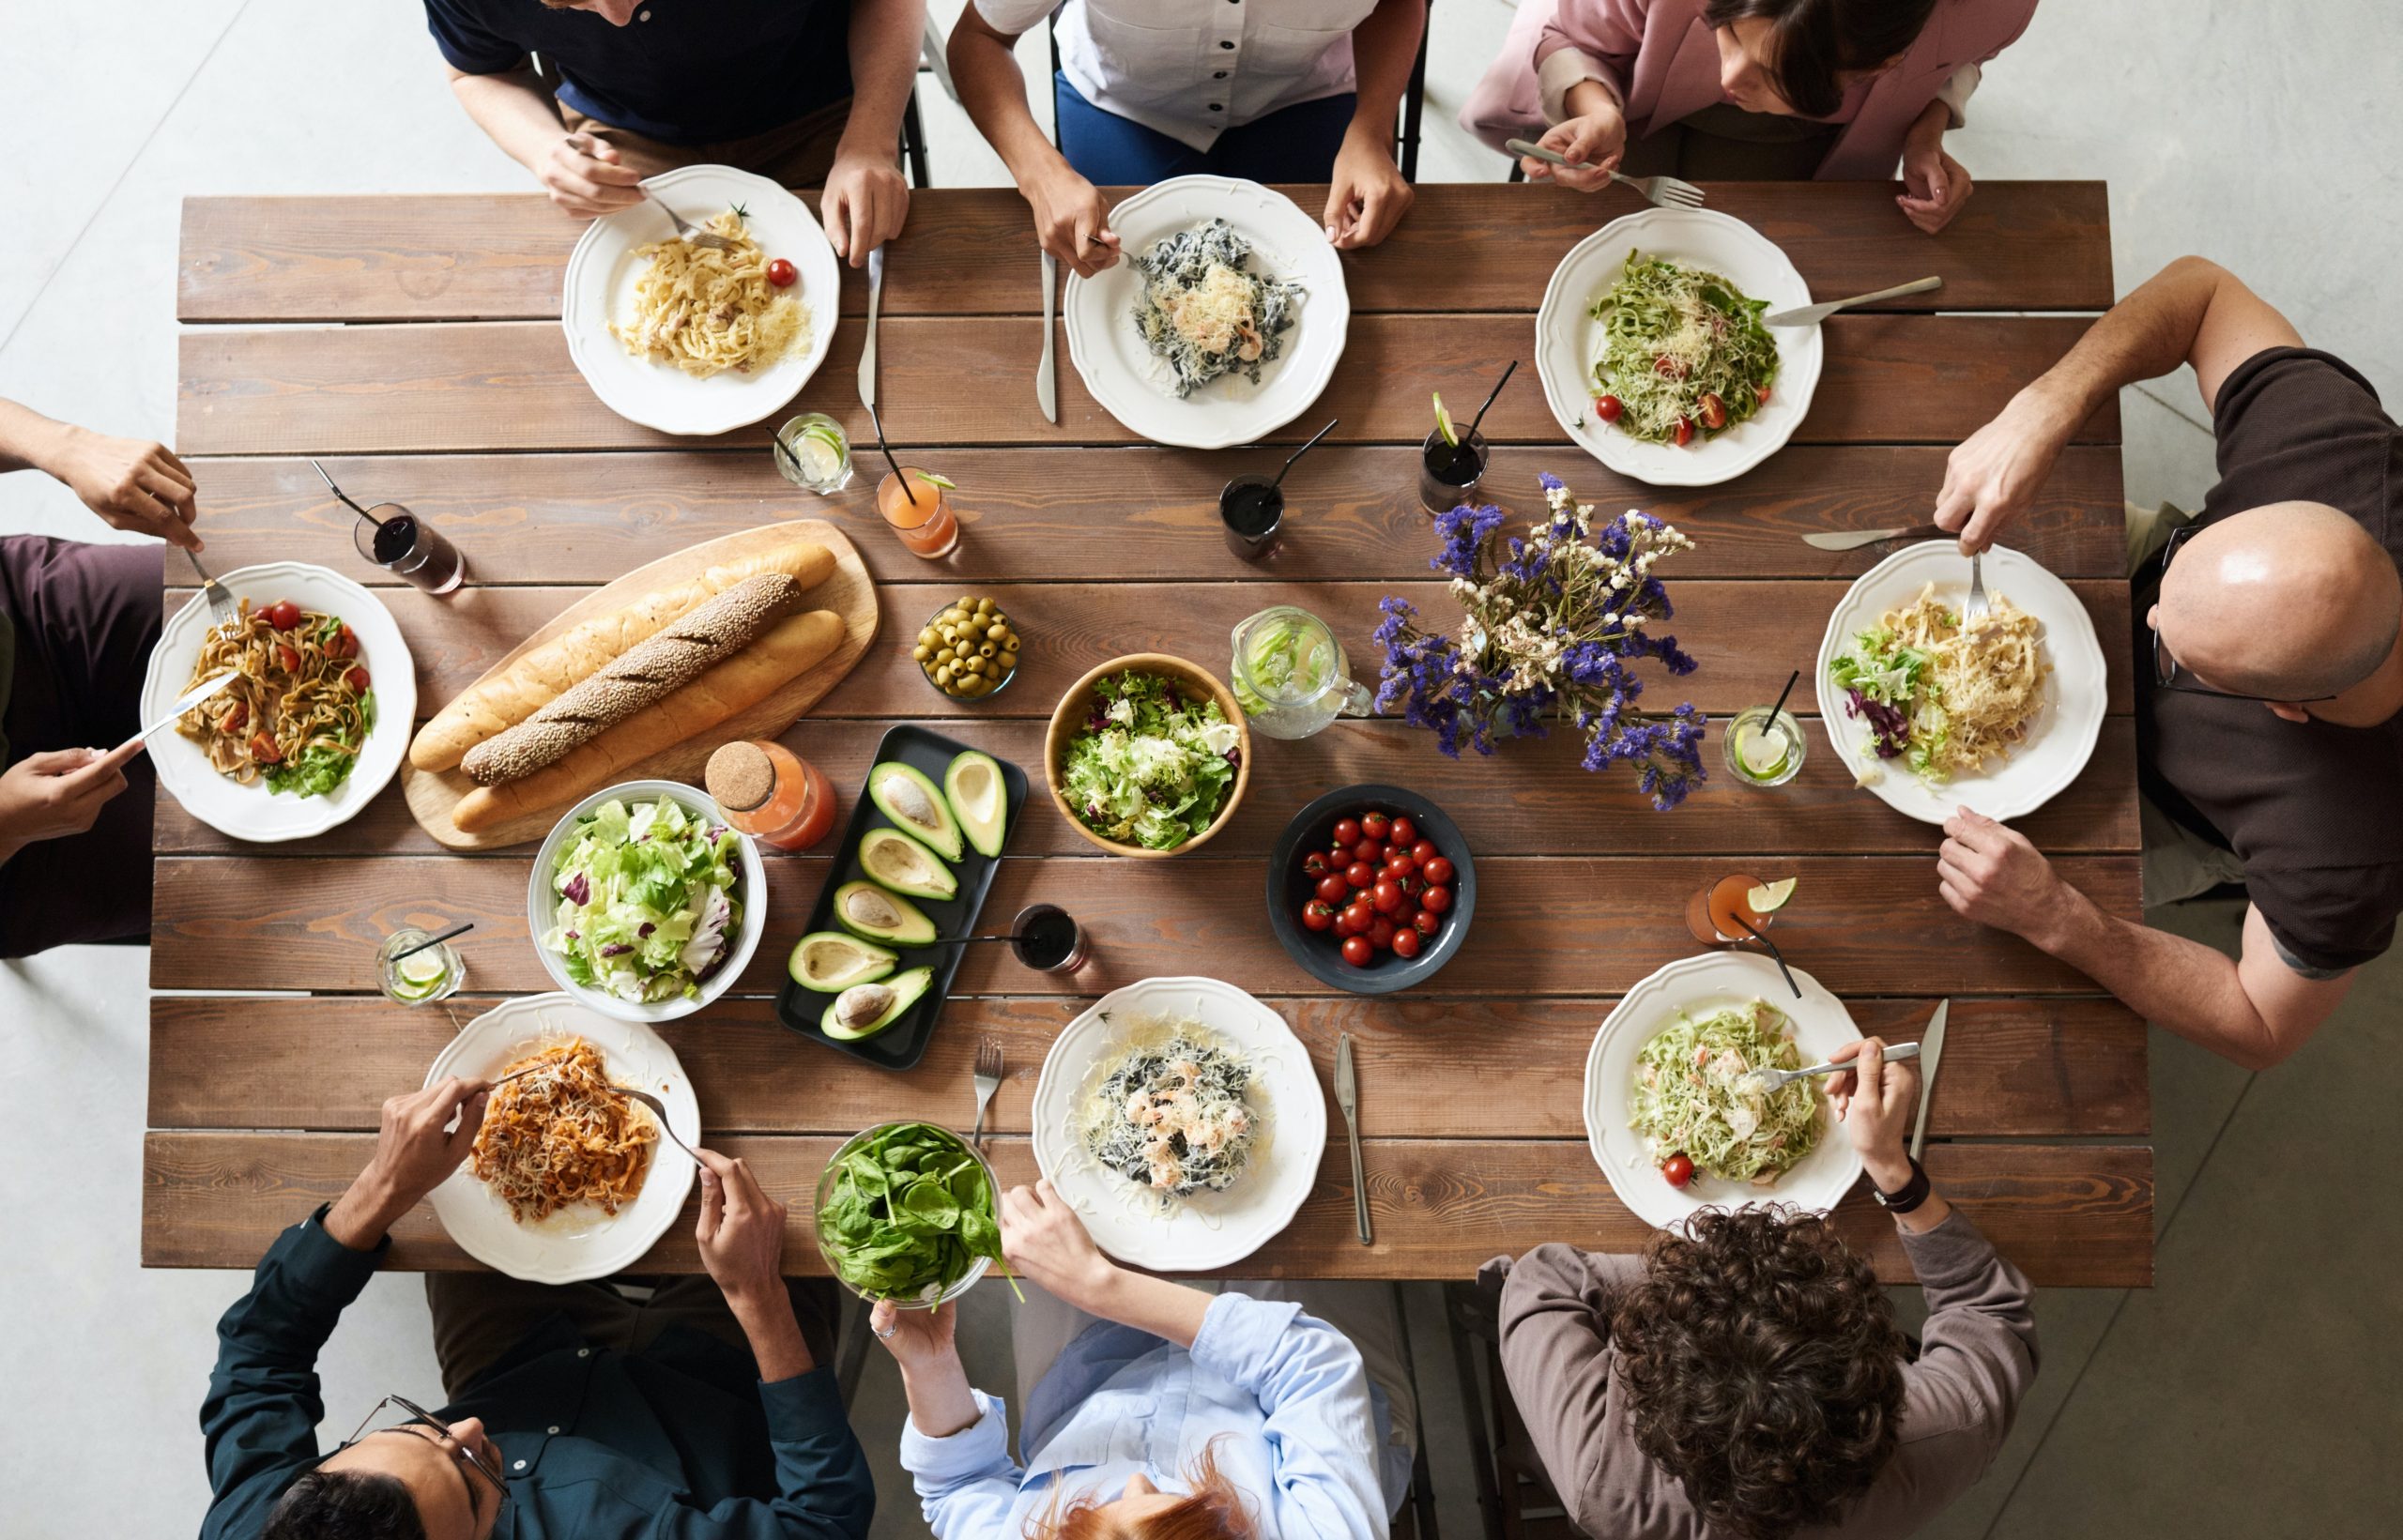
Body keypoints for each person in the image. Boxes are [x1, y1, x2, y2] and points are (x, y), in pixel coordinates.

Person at [1930, 255, 2403, 1071]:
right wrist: (2048, 404)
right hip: (2167, 552)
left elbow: (2261, 1023)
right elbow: (2203, 292)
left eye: (2174, 644)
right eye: (2169, 599)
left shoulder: (2344, 857)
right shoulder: (2343, 454)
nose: (2141, 617)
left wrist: (2061, 917)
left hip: (2167, 801)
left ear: (2286, 709)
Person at [200, 1075, 876, 1539]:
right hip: (714, 1389)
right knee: (803, 1170)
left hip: (518, 1362)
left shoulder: (262, 1523)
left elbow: (260, 1354)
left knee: (466, 1190)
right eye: (470, 1488)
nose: (465, 1429)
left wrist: (381, 1185)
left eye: (414, 1428)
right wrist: (758, 1297)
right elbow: (825, 1521)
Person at [1488, 1038, 2038, 1539]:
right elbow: (1989, 1311)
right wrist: (1892, 1169)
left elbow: (1542, 1281)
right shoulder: (1950, 1430)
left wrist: (1688, 1286)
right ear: (1877, 1369)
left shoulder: (1601, 1481)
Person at [874, 1178, 1415, 1536]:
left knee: (1047, 1197)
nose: (1134, 1480)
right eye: (1173, 1500)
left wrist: (930, 1365)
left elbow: (958, 1487)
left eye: (1092, 1513)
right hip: (1297, 1387)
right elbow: (1309, 1363)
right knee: (1320, 1201)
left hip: (1092, 1376)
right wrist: (1099, 1285)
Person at [1462, 0, 2039, 233]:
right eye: (1730, 31)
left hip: (1807, 142)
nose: (1728, 80)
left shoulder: (1991, 8)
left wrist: (1926, 128)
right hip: (1631, 89)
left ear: (1879, 66)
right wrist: (1595, 106)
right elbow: (1570, 29)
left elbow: (1961, 58)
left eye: (1774, 75)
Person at [421, 0, 923, 265]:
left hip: (819, 106)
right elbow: (477, 71)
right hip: (625, 137)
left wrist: (871, 143)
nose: (618, 15)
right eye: (573, 2)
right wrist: (545, 151)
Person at [947, 0, 1428, 276]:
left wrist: (1373, 129)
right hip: (1123, 109)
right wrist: (1041, 176)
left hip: (1305, 99)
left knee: (1348, 280)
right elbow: (979, 39)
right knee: (1110, 287)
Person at [0, 397, 206, 955]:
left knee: (255, 605)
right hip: (15, 849)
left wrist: (65, 446)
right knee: (249, 873)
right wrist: (6, 825)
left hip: (24, 616)